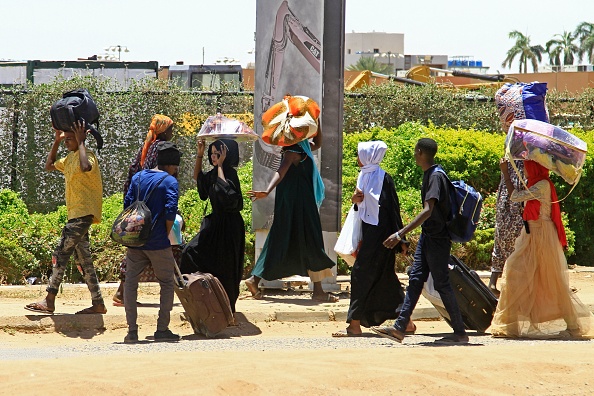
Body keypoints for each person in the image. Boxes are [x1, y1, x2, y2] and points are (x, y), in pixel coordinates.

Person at [371, 138, 469, 344]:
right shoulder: (431, 174)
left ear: (420, 152)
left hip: (437, 239)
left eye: (415, 152)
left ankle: (460, 332)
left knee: (441, 283)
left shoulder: (435, 177)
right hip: (429, 237)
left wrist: (400, 234)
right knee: (415, 279)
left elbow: (428, 210)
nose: (414, 155)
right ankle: (399, 328)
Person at [491, 159, 593, 339]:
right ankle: (509, 325)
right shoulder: (535, 183)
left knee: (552, 281)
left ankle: (573, 326)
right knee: (516, 274)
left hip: (542, 236)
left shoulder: (543, 185)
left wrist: (506, 172)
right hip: (531, 234)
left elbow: (515, 196)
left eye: (529, 167)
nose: (526, 171)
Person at [246, 125, 338, 303]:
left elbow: (318, 143)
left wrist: (317, 123)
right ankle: (318, 291)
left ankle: (254, 279)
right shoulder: (293, 151)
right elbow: (280, 172)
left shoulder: (302, 147)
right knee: (311, 241)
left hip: (296, 204)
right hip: (298, 205)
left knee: (281, 239)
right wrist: (266, 190)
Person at [332, 141, 413, 337]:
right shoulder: (364, 176)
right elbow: (362, 209)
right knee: (385, 278)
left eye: (360, 155)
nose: (357, 159)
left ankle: (354, 324)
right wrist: (355, 201)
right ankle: (406, 322)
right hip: (369, 235)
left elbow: (393, 210)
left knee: (361, 275)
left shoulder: (384, 179)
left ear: (369, 157)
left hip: (383, 239)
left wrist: (401, 239)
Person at [25, 121, 106, 315]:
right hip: (75, 215)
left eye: (70, 139)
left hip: (83, 214)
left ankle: (49, 299)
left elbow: (85, 166)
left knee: (60, 253)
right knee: (84, 260)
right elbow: (49, 165)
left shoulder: (88, 156)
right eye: (66, 140)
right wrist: (56, 141)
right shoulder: (69, 159)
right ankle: (98, 303)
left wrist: (80, 143)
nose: (67, 143)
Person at [122, 142, 182, 343]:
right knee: (166, 283)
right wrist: (163, 235)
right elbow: (170, 212)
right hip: (157, 243)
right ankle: (161, 329)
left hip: (136, 241)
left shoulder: (138, 177)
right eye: (176, 167)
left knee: (130, 283)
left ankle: (132, 332)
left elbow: (127, 205)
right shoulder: (170, 182)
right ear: (172, 165)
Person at [113, 114, 174, 306]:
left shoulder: (147, 146)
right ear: (163, 130)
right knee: (147, 246)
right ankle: (123, 293)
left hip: (138, 203)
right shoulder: (158, 148)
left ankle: (124, 292)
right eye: (171, 129)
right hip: (150, 204)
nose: (173, 132)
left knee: (138, 247)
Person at [180, 139, 245, 317]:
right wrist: (200, 154)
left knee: (227, 267)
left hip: (230, 227)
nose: (214, 157)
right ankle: (201, 300)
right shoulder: (212, 173)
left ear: (227, 154)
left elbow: (230, 197)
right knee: (189, 253)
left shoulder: (230, 174)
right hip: (214, 224)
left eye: (218, 154)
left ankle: (229, 310)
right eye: (213, 154)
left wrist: (221, 167)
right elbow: (198, 179)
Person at [488, 160, 525, 297]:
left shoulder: (507, 162)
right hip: (513, 211)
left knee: (499, 244)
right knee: (514, 249)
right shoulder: (520, 165)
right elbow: (515, 194)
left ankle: (493, 282)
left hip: (503, 209)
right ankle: (511, 290)